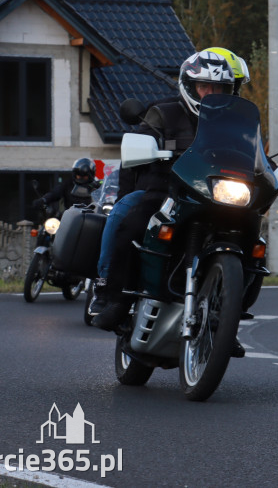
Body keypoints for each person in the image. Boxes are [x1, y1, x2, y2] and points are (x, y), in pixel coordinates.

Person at [90, 49, 247, 345]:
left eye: (219, 89)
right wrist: (129, 191)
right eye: (204, 87)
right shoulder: (163, 113)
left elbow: (255, 156)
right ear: (189, 86)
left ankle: (227, 319)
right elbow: (134, 152)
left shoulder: (236, 123)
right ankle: (109, 295)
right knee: (125, 214)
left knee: (253, 240)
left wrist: (271, 170)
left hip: (215, 196)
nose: (210, 94)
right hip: (165, 190)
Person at [32, 158, 99, 213]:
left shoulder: (96, 186)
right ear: (75, 174)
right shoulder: (68, 184)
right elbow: (55, 193)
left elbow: (105, 196)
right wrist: (44, 200)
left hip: (91, 218)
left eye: (84, 176)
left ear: (90, 175)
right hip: (69, 218)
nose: (80, 177)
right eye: (78, 175)